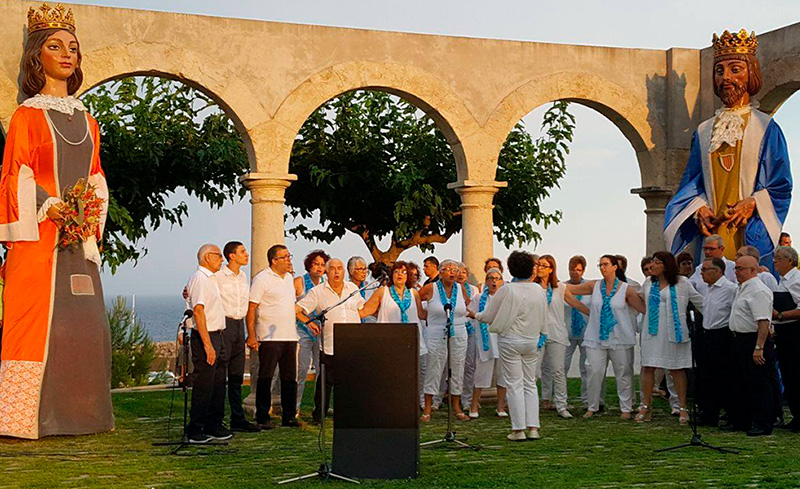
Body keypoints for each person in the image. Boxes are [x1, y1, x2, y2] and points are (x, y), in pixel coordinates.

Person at [0, 6, 114, 439]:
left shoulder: (88, 120)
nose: (66, 55)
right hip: (39, 238)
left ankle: (87, 415)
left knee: (87, 326)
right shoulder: (26, 117)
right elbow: (14, 176)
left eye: (72, 48)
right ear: (36, 56)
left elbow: (96, 176)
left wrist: (87, 211)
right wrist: (50, 205)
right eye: (54, 46)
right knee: (36, 325)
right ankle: (23, 419)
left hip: (78, 238)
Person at [664, 29, 792, 270]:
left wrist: (753, 202)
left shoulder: (766, 127)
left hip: (749, 228)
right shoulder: (703, 131)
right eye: (719, 71)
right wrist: (697, 207)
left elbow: (780, 184)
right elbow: (691, 183)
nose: (726, 78)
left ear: (750, 73)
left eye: (735, 69)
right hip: (714, 231)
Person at [469, 251, 547, 441]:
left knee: (514, 384)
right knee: (530, 384)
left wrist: (474, 315)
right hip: (531, 340)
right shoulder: (539, 290)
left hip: (510, 341)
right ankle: (534, 428)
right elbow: (544, 317)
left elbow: (488, 316)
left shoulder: (507, 289)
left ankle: (518, 430)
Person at [566, 255, 643, 420]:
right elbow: (570, 289)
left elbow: (643, 308)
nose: (602, 267)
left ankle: (626, 408)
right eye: (600, 264)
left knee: (623, 372)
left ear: (615, 267)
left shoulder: (626, 289)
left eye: (606, 264)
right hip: (595, 337)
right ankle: (592, 406)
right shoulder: (595, 286)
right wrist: (551, 283)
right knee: (593, 370)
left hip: (620, 337)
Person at [296, 258, 366, 423]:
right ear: (327, 272)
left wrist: (380, 299)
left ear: (344, 272)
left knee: (351, 382)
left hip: (352, 345)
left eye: (339, 268)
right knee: (325, 383)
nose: (336, 271)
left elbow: (363, 310)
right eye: (332, 268)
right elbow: (298, 309)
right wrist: (309, 322)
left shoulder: (353, 288)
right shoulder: (318, 292)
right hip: (330, 345)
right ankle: (319, 414)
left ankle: (349, 412)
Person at [637, 252, 703, 425]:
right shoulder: (648, 283)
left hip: (675, 332)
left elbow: (700, 302)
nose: (652, 265)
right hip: (652, 332)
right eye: (652, 262)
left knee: (677, 369)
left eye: (656, 262)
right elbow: (639, 301)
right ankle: (646, 405)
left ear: (666, 265)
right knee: (648, 367)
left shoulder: (682, 282)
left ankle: (682, 407)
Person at [360, 261, 428, 404]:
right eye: (396, 272)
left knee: (412, 377)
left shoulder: (413, 293)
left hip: (411, 342)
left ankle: (411, 404)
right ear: (391, 275)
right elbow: (366, 311)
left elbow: (422, 314)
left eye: (403, 272)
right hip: (389, 343)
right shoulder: (383, 291)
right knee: (390, 377)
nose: (400, 275)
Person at [247, 244, 300, 429]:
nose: (288, 260)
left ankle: (289, 415)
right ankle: (262, 415)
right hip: (269, 337)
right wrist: (252, 335)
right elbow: (251, 308)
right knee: (266, 376)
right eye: (284, 257)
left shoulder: (288, 279)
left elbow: (291, 306)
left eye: (289, 256)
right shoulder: (262, 279)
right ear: (274, 260)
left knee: (289, 378)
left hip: (289, 336)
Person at [185, 244, 232, 443]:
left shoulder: (210, 279)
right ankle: (196, 428)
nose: (222, 259)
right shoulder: (200, 279)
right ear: (207, 257)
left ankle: (214, 423)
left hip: (218, 334)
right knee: (204, 384)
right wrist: (207, 344)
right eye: (219, 256)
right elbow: (198, 311)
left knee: (218, 382)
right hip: (207, 336)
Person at [727, 255, 775, 436]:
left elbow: (763, 321)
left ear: (753, 270)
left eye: (741, 269)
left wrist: (759, 347)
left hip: (753, 340)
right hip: (739, 339)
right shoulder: (742, 288)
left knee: (758, 383)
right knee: (740, 381)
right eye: (736, 268)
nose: (737, 272)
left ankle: (763, 423)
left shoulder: (758, 290)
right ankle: (742, 420)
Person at [214, 241, 259, 432]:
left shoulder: (242, 276)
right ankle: (215, 418)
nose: (247, 254)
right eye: (242, 252)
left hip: (239, 326)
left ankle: (237, 418)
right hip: (224, 325)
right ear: (231, 255)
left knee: (236, 375)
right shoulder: (218, 276)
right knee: (220, 374)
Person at [419, 259, 471, 422]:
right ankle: (428, 408)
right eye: (448, 269)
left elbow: (467, 306)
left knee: (457, 368)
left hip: (459, 332)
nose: (452, 272)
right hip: (436, 332)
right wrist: (425, 315)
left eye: (455, 269)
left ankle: (456, 406)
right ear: (440, 272)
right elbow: (416, 301)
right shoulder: (430, 288)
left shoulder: (460, 288)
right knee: (434, 368)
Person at [695, 257, 737, 427]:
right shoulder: (708, 290)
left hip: (722, 336)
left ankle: (729, 412)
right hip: (706, 335)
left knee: (724, 377)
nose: (702, 274)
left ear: (718, 271)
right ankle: (708, 413)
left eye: (705, 270)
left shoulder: (730, 289)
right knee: (705, 376)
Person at [466, 268, 508, 418]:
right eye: (491, 278)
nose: (494, 281)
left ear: (501, 281)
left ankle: (501, 407)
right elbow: (469, 314)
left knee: (502, 376)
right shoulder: (478, 298)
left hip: (503, 340)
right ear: (487, 281)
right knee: (481, 375)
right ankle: (474, 406)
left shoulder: (506, 298)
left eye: (497, 278)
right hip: (485, 341)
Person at [536, 255, 573, 419]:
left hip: (556, 333)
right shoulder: (532, 287)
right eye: (538, 265)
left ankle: (561, 405)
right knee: (533, 371)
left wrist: (594, 314)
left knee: (558, 370)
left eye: (544, 265)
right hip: (536, 334)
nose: (540, 268)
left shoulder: (560, 287)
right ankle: (531, 403)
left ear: (551, 268)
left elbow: (574, 302)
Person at [294, 250, 329, 413]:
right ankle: (295, 407)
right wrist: (307, 322)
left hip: (321, 333)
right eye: (316, 264)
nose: (319, 268)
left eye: (323, 265)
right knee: (301, 370)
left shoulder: (326, 284)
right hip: (302, 330)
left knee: (321, 372)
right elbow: (292, 308)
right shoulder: (299, 282)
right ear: (309, 265)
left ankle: (319, 408)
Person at [771, 246, 800, 432]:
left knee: (796, 374)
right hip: (783, 333)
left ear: (790, 261)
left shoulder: (796, 280)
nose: (775, 262)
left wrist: (780, 315)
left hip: (794, 332)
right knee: (788, 375)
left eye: (779, 258)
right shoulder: (781, 281)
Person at [563, 255, 593, 410]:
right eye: (572, 269)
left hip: (585, 333)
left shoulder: (589, 287)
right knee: (562, 367)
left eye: (578, 270)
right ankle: (561, 399)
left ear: (583, 270)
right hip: (566, 333)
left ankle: (587, 399)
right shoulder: (561, 287)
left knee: (586, 367)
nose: (575, 272)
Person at [457, 263, 480, 411]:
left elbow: (472, 307)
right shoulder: (447, 289)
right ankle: (441, 398)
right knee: (453, 366)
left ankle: (467, 399)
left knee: (470, 366)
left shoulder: (474, 290)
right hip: (455, 328)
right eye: (458, 272)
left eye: (464, 272)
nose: (461, 275)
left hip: (470, 329)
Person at [348, 256, 375, 323]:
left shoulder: (371, 287)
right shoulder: (346, 288)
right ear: (351, 271)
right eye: (360, 269)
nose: (364, 272)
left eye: (365, 269)